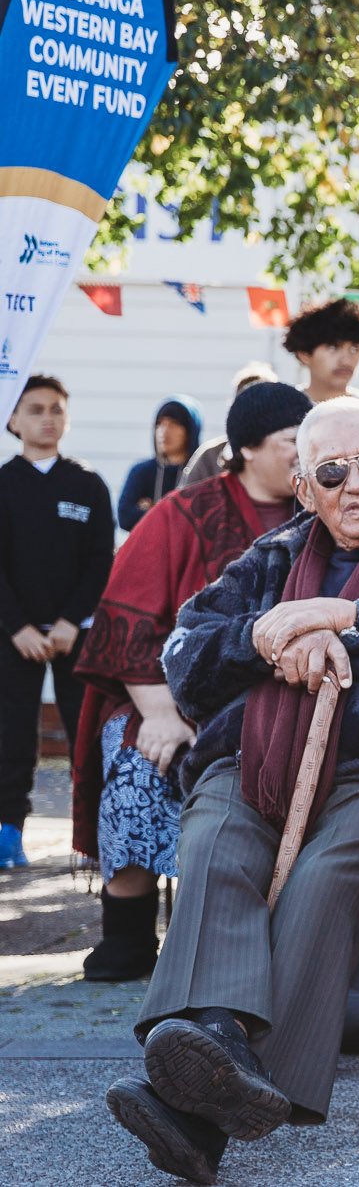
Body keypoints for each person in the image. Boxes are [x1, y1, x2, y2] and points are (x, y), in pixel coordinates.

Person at [103, 399, 359, 1185]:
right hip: (256, 760)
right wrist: (263, 632)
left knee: (321, 878)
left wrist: (351, 619)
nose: (357, 483)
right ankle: (216, 1040)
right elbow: (184, 656)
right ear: (303, 485)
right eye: (332, 470)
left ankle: (196, 1100)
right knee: (215, 837)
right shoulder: (267, 559)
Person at [71, 383, 312, 981]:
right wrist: (159, 712)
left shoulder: (325, 514)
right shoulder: (181, 513)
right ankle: (127, 931)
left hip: (286, 703)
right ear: (249, 448)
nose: (308, 457)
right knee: (136, 760)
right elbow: (124, 620)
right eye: (293, 443)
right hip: (166, 698)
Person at [0, 375, 115, 870]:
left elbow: (101, 562)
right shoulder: (3, 484)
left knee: (87, 735)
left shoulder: (88, 484)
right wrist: (17, 627)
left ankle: (95, 837)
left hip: (77, 636)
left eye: (56, 409)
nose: (47, 418)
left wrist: (71, 621)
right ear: (14, 420)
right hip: (13, 637)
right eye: (35, 409)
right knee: (11, 736)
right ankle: (8, 833)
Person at [282, 298, 359, 439]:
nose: (346, 360)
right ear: (304, 355)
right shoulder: (279, 413)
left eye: (354, 349)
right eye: (333, 347)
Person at [180, 364, 279, 489]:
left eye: (263, 405)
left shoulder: (286, 455)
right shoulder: (210, 456)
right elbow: (184, 503)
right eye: (246, 403)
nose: (255, 412)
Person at [118, 397, 202, 530]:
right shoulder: (142, 472)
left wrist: (152, 509)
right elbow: (125, 518)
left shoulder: (202, 472)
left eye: (174, 423)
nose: (164, 431)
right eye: (159, 424)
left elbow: (201, 521)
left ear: (190, 430)